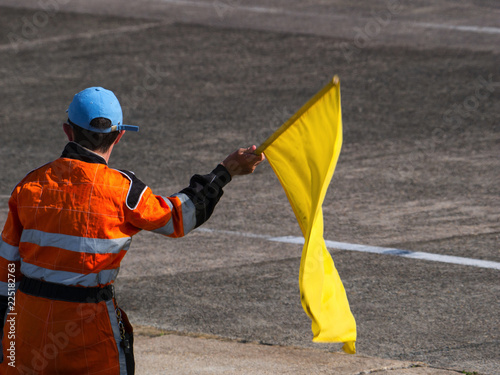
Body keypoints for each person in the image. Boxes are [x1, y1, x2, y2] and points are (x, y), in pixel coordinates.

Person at [0, 87, 264, 374]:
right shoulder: (123, 190)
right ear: (120, 134)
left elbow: (6, 272)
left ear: (67, 131)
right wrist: (225, 171)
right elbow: (180, 217)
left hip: (27, 328)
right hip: (88, 329)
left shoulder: (29, 186)